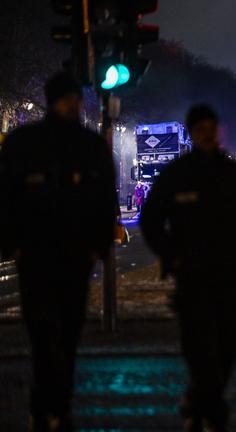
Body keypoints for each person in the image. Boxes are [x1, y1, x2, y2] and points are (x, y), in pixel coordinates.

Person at [139, 105, 236, 431]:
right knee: (198, 345)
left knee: (230, 344)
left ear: (218, 131)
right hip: (191, 273)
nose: (207, 133)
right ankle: (212, 411)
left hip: (228, 272)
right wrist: (169, 254)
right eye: (201, 128)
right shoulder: (177, 174)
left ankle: (198, 400)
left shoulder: (233, 173)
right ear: (192, 133)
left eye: (211, 127)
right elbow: (150, 219)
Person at [0, 72, 117, 431]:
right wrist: (13, 245)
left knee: (62, 331)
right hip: (46, 254)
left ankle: (52, 404)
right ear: (57, 100)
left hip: (61, 254)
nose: (75, 105)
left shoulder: (28, 143)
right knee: (48, 332)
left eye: (76, 98)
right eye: (70, 99)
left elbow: (106, 202)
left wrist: (98, 246)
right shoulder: (83, 146)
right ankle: (51, 404)